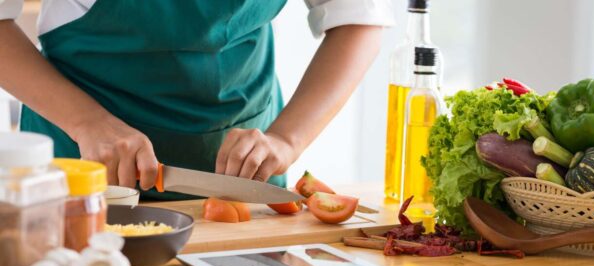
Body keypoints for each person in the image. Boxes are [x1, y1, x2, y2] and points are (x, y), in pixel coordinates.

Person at [0, 0, 393, 199]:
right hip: (86, 162)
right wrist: (86, 123)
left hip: (244, 177)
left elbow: (358, 19)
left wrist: (286, 139)